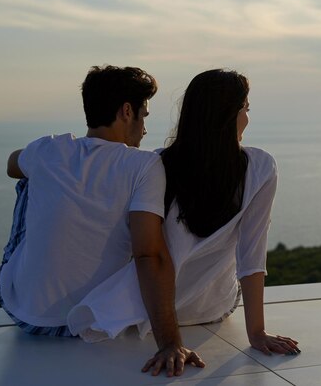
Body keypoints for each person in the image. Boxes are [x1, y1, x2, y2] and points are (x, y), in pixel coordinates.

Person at [67, 69, 300, 358]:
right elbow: (251, 256)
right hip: (212, 307)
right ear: (228, 115)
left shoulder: (155, 164)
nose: (247, 118)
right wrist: (257, 333)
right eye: (245, 109)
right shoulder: (261, 167)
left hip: (151, 310)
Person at [0, 65, 204, 377]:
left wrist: (49, 162)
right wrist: (170, 343)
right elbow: (149, 254)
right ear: (126, 111)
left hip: (28, 316)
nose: (145, 129)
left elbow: (12, 163)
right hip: (94, 323)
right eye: (144, 116)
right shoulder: (144, 165)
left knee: (28, 180)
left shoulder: (49, 148)